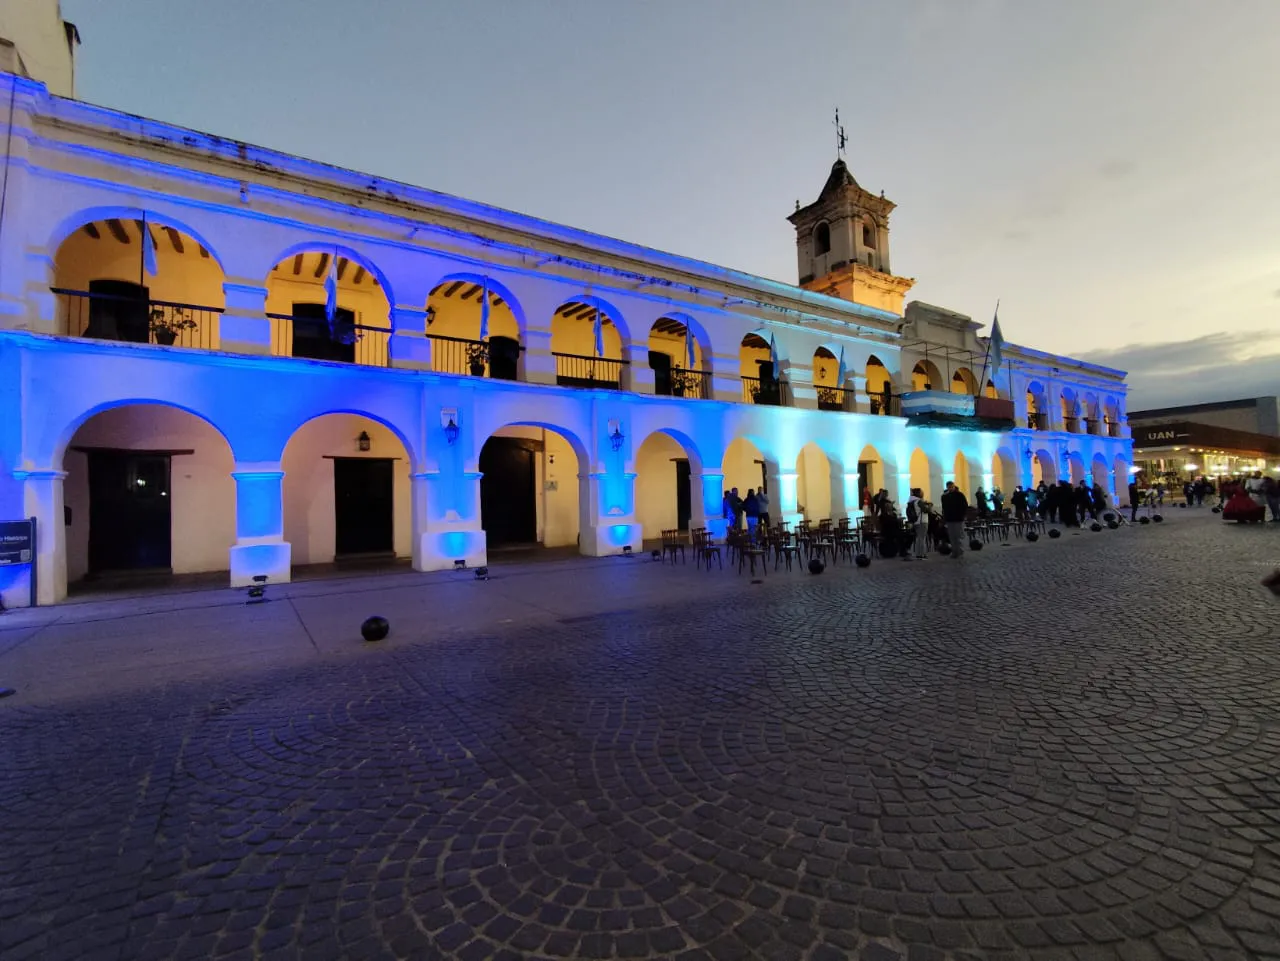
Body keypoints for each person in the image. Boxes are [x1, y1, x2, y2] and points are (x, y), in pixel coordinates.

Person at [940, 481, 969, 559]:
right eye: (949, 487)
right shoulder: (944, 497)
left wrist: (962, 515)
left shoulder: (960, 495)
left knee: (958, 536)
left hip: (958, 519)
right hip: (949, 519)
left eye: (952, 487)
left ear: (954, 486)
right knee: (952, 536)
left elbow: (965, 506)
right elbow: (944, 508)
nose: (950, 488)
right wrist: (945, 518)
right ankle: (954, 552)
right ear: (947, 487)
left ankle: (960, 552)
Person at [906, 487, 929, 560]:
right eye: (921, 492)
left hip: (916, 521)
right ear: (918, 493)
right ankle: (921, 554)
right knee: (922, 538)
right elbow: (926, 510)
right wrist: (929, 506)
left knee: (919, 538)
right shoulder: (919, 501)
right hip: (922, 521)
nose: (923, 493)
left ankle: (918, 553)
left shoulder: (911, 501)